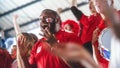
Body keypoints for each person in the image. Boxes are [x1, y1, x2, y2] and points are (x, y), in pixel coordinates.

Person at [92, 0, 120, 68]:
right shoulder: (98, 32)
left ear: (110, 1)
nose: (96, 2)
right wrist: (94, 45)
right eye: (95, 1)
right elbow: (99, 63)